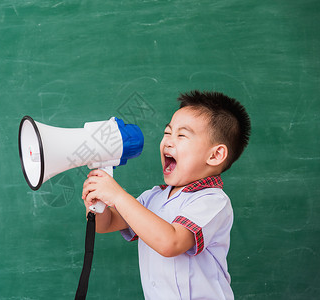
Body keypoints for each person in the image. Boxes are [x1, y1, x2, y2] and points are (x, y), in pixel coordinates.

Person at [82, 90, 251, 300]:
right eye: (167, 133)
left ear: (215, 155)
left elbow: (170, 242)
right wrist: (97, 202)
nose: (168, 142)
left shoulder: (213, 201)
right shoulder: (154, 197)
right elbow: (105, 224)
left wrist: (117, 195)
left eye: (181, 135)